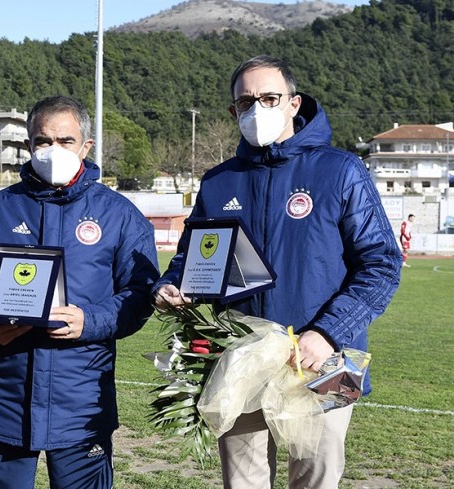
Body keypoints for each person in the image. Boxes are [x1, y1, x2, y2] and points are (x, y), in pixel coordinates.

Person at [153, 55, 402, 489]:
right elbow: (193, 258)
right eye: (246, 102)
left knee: (317, 476)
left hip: (327, 357)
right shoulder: (218, 181)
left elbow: (381, 264)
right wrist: (171, 285)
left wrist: (327, 332)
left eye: (269, 98)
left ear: (293, 103)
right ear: (234, 112)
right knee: (243, 478)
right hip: (240, 352)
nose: (257, 109)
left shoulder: (341, 169)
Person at [0, 95, 159, 489]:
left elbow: (140, 291)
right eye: (42, 141)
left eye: (65, 141)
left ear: (86, 146)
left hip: (82, 402)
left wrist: (90, 321)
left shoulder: (119, 214)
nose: (52, 150)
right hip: (5, 399)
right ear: (29, 144)